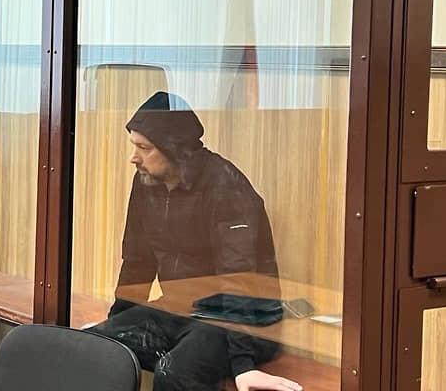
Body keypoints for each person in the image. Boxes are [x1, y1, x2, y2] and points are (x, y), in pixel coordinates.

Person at [91, 92, 302, 391]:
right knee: (98, 350)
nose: (133, 157)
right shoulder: (146, 181)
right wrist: (115, 328)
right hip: (179, 308)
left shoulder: (225, 185)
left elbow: (238, 278)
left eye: (144, 148)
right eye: (133, 146)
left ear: (174, 150)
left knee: (173, 373)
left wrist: (243, 366)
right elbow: (137, 261)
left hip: (241, 322)